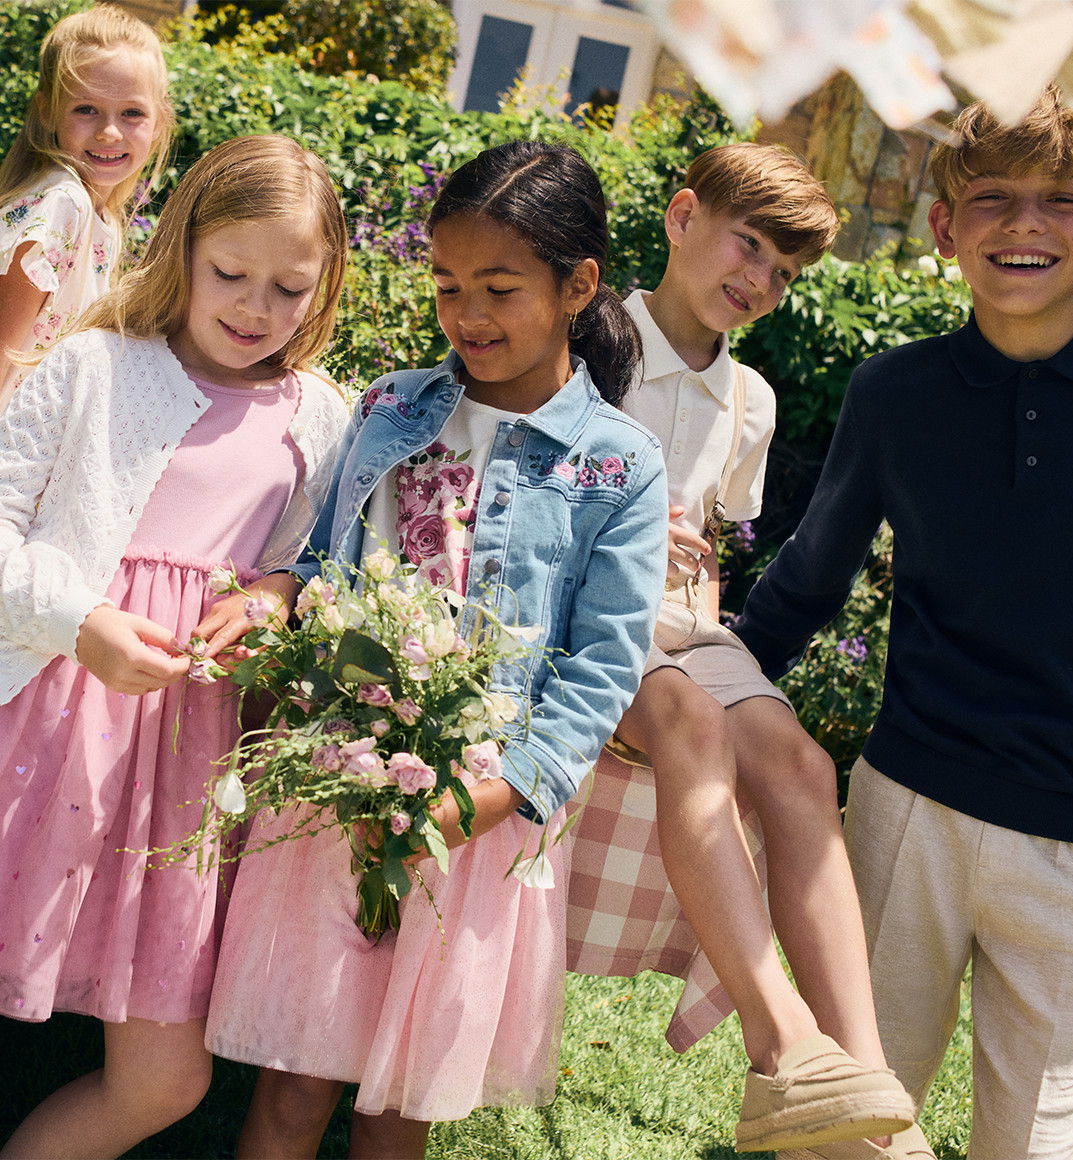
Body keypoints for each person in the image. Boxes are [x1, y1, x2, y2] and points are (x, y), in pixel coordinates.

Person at [200, 139, 669, 1159]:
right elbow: (322, 560)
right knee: (294, 1080)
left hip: (477, 810)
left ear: (577, 285)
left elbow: (602, 668)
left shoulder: (618, 465)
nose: (466, 315)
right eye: (448, 285)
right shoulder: (391, 408)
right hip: (339, 774)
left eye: (499, 289)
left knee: (399, 1100)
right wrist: (279, 594)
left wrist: (493, 797)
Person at [734, 87, 1073, 1160]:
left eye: (1061, 200)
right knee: (843, 1124)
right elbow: (806, 581)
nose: (1024, 224)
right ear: (943, 227)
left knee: (1035, 1147)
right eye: (992, 198)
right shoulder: (894, 392)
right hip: (903, 814)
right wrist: (696, 696)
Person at [564, 141, 926, 1158]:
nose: (761, 280)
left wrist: (714, 638)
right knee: (687, 715)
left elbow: (711, 547)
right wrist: (622, 525)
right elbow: (509, 484)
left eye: (785, 271)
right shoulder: (584, 339)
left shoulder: (750, 400)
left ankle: (864, 1089)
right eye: (750, 245)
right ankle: (784, 1045)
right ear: (682, 218)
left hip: (682, 623)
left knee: (800, 762)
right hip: (580, 615)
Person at [0, 134, 351, 1158]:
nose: (256, 308)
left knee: (165, 1078)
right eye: (230, 273)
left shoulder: (320, 415)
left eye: (289, 288)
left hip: (189, 765)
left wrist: (277, 596)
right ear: (183, 247)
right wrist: (81, 624)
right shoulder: (96, 365)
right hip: (47, 718)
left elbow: (309, 561)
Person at [0, 2, 173, 409]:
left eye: (132, 112)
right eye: (86, 109)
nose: (109, 132)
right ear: (48, 111)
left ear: (159, 121)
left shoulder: (101, 217)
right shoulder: (62, 205)